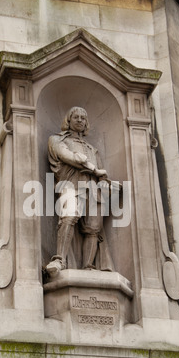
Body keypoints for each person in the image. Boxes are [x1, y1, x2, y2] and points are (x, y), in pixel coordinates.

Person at [46, 106, 113, 276]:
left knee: (93, 228)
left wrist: (105, 182)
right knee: (69, 216)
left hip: (93, 190)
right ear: (68, 120)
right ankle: (59, 259)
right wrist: (93, 169)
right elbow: (68, 156)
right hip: (71, 185)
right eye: (76, 117)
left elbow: (103, 174)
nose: (80, 120)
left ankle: (88, 266)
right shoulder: (57, 140)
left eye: (83, 118)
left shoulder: (92, 150)